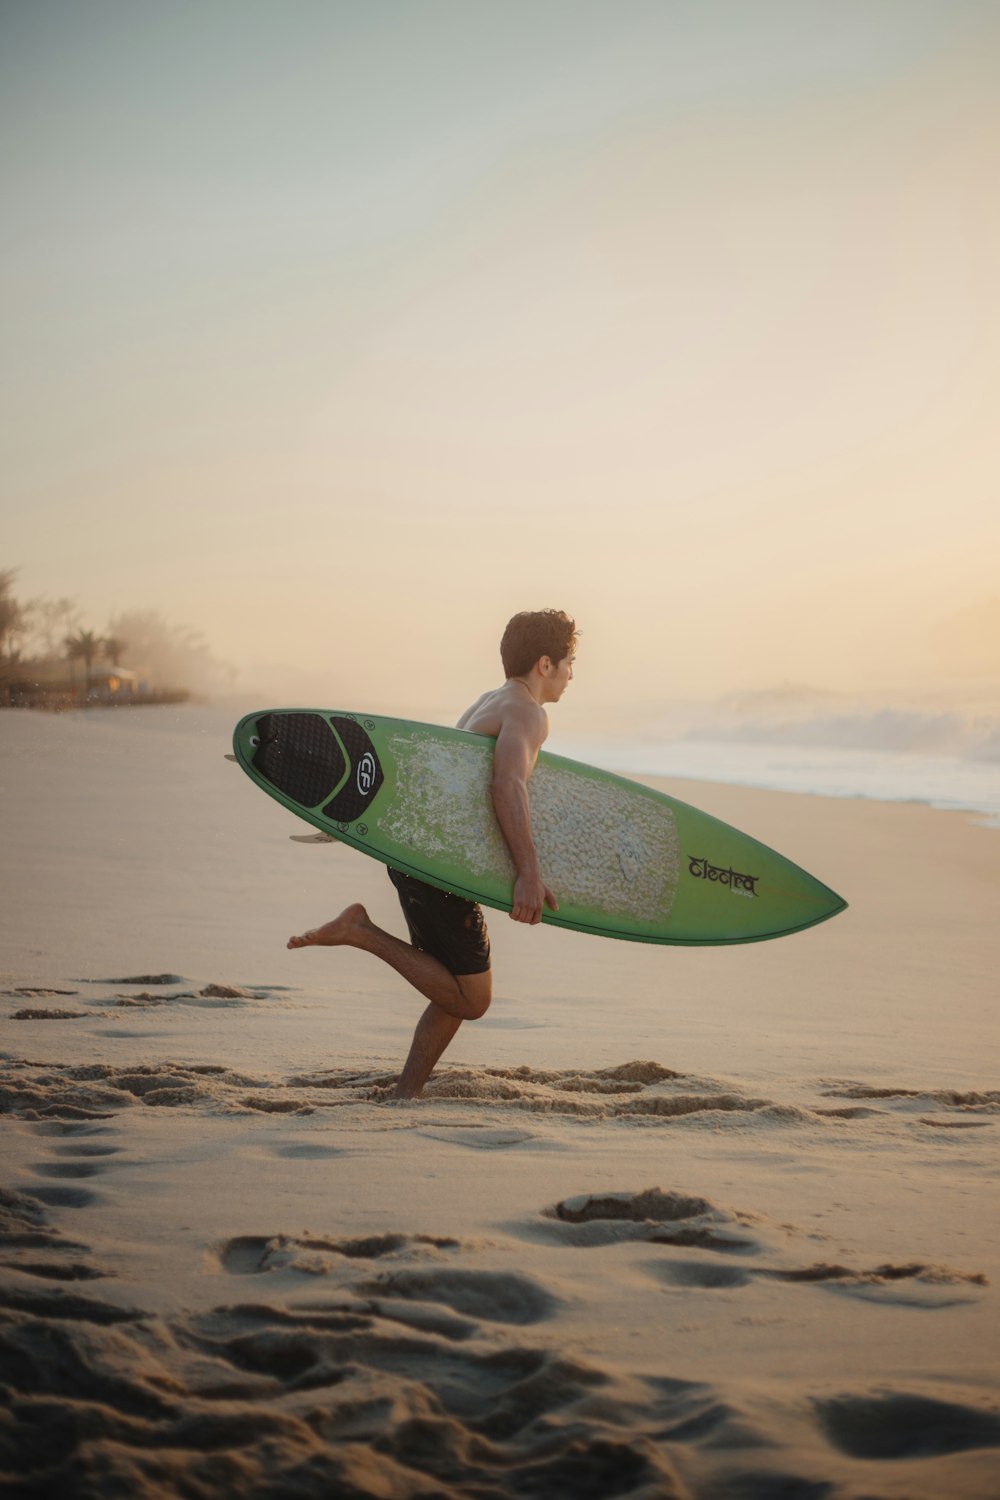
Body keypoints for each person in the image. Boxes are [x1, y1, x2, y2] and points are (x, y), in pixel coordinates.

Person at [287, 609, 577, 1098]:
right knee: (472, 998)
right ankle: (360, 931)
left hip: (421, 854)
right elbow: (506, 784)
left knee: (453, 987)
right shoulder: (529, 712)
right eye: (570, 662)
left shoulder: (492, 701)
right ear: (545, 664)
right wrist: (529, 871)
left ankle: (407, 1092)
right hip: (434, 863)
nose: (573, 675)